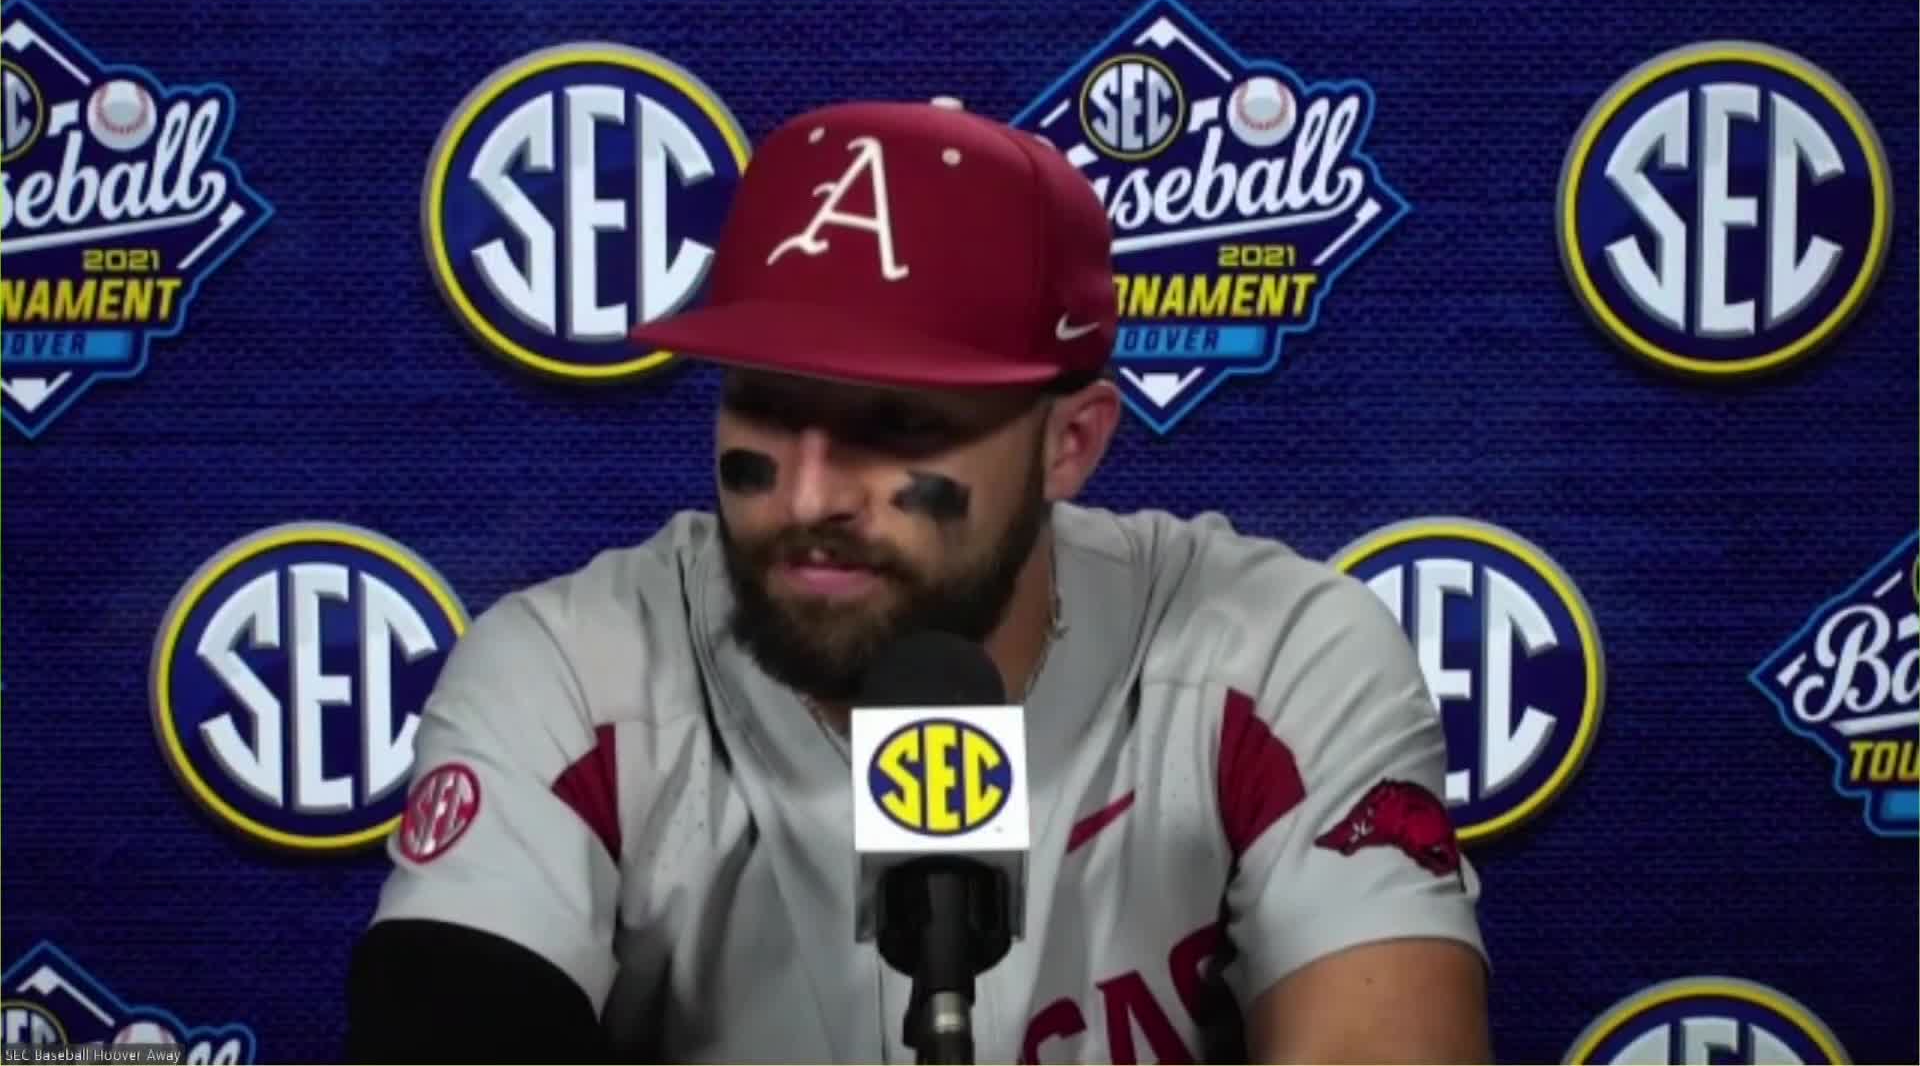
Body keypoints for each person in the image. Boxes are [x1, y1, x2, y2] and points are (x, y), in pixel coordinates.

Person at [345, 95, 1491, 1064]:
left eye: (896, 427)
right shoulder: (573, 676)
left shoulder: (1273, 657)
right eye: (766, 406)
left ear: (1071, 444)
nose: (807, 497)